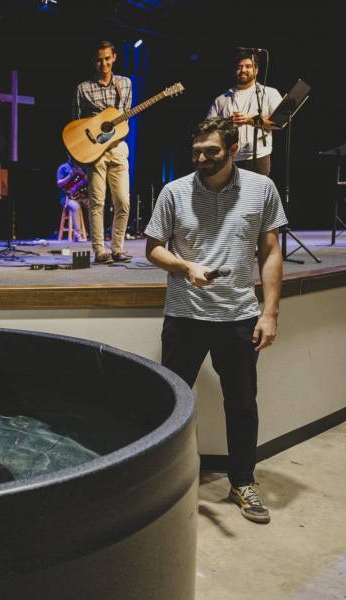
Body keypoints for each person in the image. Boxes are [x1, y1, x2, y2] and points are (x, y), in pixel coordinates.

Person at [144, 118, 287, 524]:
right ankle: (158, 481)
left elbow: (271, 251)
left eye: (212, 152)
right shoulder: (175, 191)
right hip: (185, 316)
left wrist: (270, 312)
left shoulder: (262, 190)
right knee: (169, 401)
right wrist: (186, 266)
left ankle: (242, 481)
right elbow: (153, 248)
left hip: (240, 317)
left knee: (241, 404)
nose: (202, 159)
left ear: (234, 148)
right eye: (197, 153)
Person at [73, 40, 133, 264]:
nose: (103, 63)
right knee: (97, 202)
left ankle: (118, 248)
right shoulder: (83, 88)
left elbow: (123, 118)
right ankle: (100, 250)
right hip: (95, 152)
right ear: (93, 61)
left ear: (114, 57)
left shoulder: (124, 84)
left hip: (118, 148)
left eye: (107, 58)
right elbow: (76, 123)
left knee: (123, 202)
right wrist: (79, 153)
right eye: (99, 59)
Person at [207, 50, 283, 176]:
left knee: (256, 195)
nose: (243, 70)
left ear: (256, 70)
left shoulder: (270, 93)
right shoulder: (221, 99)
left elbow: (280, 123)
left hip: (258, 157)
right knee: (229, 196)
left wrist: (250, 120)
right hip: (227, 159)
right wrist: (226, 123)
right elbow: (208, 128)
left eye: (248, 66)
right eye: (239, 67)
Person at [56, 155, 88, 242]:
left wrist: (82, 174)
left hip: (80, 196)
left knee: (95, 205)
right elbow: (59, 183)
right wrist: (70, 175)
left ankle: (97, 234)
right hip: (67, 198)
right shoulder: (63, 168)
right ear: (69, 156)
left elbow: (88, 179)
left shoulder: (82, 167)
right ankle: (78, 235)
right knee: (75, 206)